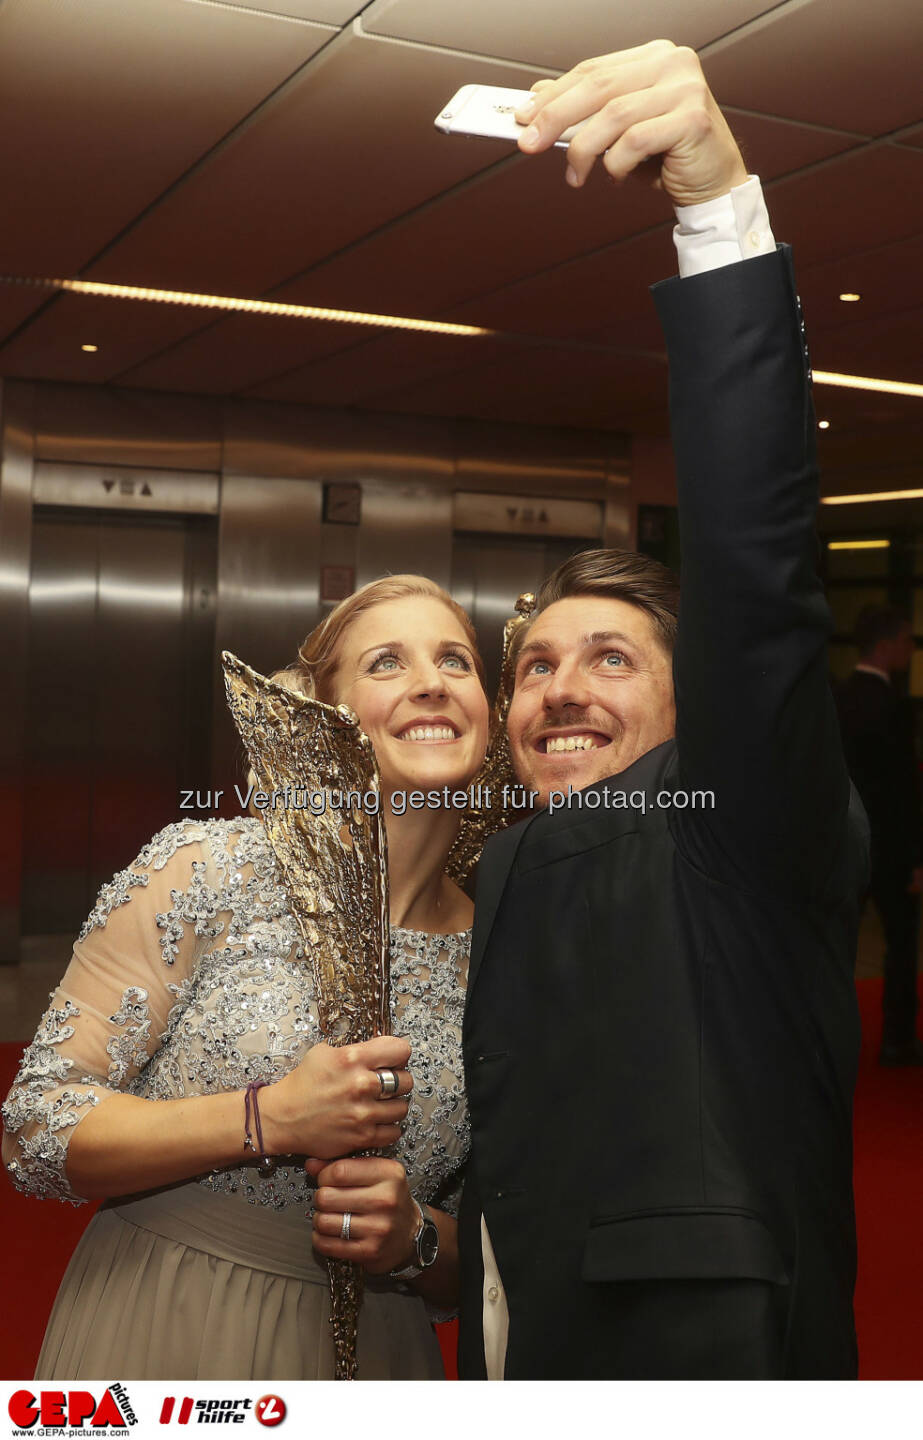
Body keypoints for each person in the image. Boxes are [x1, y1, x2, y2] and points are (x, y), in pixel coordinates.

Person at [456, 42, 869, 1379]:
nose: (560, 687)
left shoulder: (730, 828)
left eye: (611, 659)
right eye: (531, 665)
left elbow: (753, 558)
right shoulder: (515, 854)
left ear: (703, 706)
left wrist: (715, 206)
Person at [2, 574, 489, 1380]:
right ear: (323, 711)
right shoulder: (209, 869)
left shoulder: (503, 952)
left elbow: (498, 1258)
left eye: (455, 661)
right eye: (385, 664)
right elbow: (36, 1130)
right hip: (167, 1323)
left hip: (376, 1358)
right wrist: (271, 1118)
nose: (430, 682)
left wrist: (416, 1241)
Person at [837, 605, 923, 1064]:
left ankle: (824, 1042)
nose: (911, 650)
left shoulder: (839, 697)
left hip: (843, 844)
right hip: (888, 848)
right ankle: (897, 1039)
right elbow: (901, 790)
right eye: (908, 641)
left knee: (835, 948)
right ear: (887, 645)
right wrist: (914, 857)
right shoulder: (891, 706)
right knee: (902, 944)